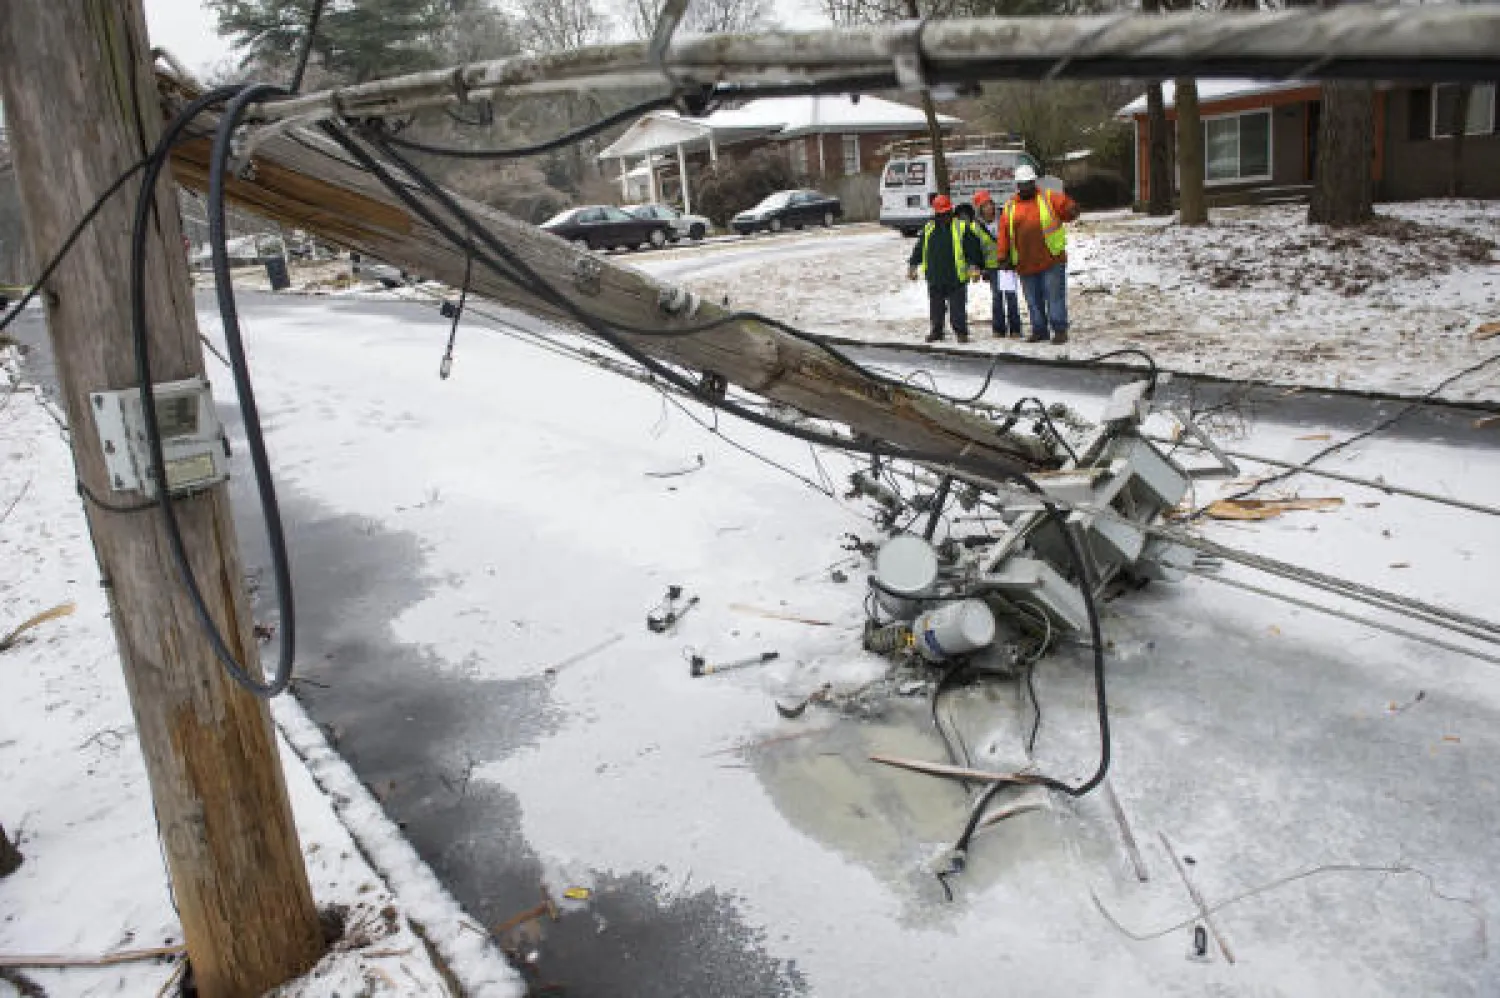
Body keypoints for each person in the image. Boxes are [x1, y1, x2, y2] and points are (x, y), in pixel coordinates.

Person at [996, 164, 1081, 345]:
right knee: (1033, 300)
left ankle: (1059, 330)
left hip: (1051, 259)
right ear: (1018, 185)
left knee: (1054, 297)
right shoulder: (1010, 206)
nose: (1026, 187)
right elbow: (1003, 232)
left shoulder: (1048, 198)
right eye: (1023, 184)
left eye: (1029, 183)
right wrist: (1002, 256)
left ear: (1034, 182)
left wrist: (1071, 209)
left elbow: (1066, 207)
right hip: (1025, 262)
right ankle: (1039, 330)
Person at [906, 194, 984, 344]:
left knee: (957, 309)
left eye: (947, 213)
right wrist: (913, 265)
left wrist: (974, 266)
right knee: (936, 308)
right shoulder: (929, 228)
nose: (945, 217)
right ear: (936, 214)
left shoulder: (961, 227)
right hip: (935, 276)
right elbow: (920, 248)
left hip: (956, 277)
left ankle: (961, 333)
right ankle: (937, 331)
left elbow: (973, 248)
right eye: (942, 214)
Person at [972, 190, 1023, 338]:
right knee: (997, 297)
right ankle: (998, 329)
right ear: (979, 209)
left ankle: (1015, 329)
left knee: (1011, 296)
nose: (988, 208)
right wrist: (981, 269)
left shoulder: (1005, 217)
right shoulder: (976, 226)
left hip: (1007, 264)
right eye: (984, 206)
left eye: (989, 204)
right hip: (992, 267)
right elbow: (976, 250)